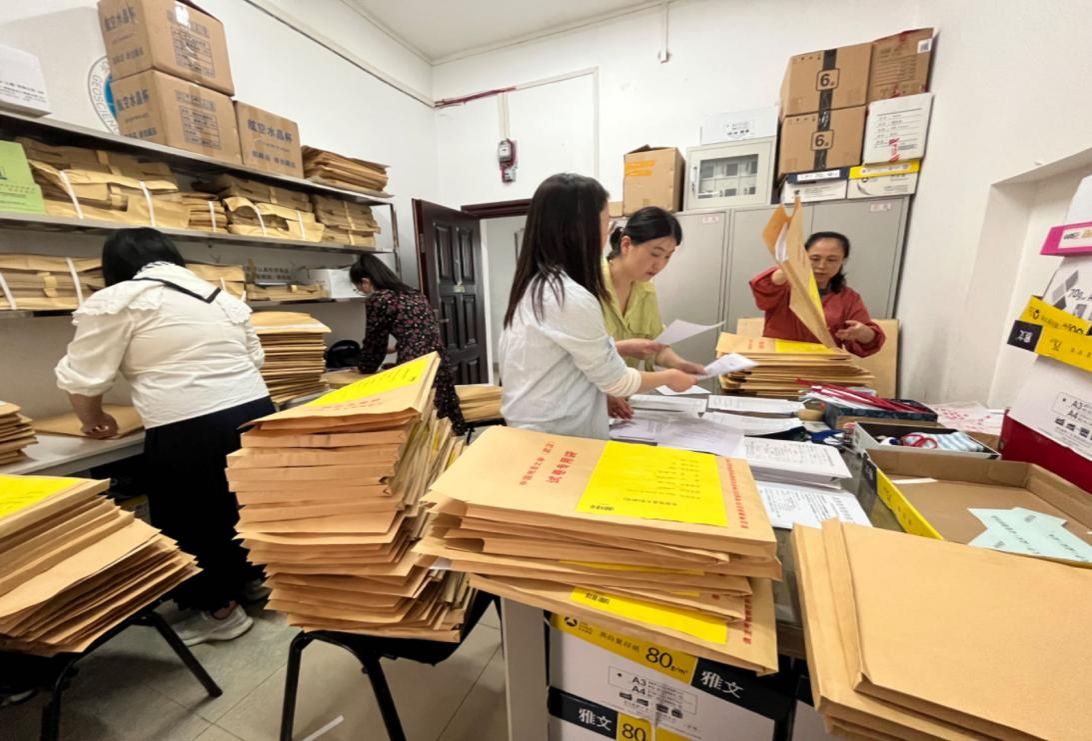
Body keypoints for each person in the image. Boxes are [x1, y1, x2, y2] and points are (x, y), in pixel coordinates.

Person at [55, 228, 273, 647]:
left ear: (114, 267)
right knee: (247, 504)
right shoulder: (219, 297)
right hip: (254, 411)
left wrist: (93, 420)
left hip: (189, 423)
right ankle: (252, 580)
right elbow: (255, 357)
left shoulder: (120, 300)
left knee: (194, 516)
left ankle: (219, 611)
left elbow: (83, 378)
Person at [499, 173, 700, 439]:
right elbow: (617, 380)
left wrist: (632, 353)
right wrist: (670, 377)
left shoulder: (539, 286)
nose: (607, 234)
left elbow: (569, 356)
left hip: (540, 427)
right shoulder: (569, 296)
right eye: (606, 224)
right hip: (557, 433)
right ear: (581, 230)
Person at [602, 206, 707, 419]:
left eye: (668, 257)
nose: (659, 265)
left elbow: (656, 345)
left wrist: (679, 364)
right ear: (626, 245)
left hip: (621, 404)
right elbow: (579, 357)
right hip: (586, 401)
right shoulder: (589, 285)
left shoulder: (646, 290)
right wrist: (605, 394)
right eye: (655, 254)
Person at [350, 254, 466, 434]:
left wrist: (365, 368)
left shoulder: (380, 298)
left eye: (359, 288)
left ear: (365, 282)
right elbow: (419, 330)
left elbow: (375, 341)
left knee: (420, 418)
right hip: (438, 359)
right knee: (440, 415)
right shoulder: (414, 293)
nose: (363, 292)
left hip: (415, 365)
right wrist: (396, 347)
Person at [750, 230, 885, 357]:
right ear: (803, 257)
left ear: (843, 261)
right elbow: (763, 290)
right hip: (778, 362)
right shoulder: (784, 287)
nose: (821, 266)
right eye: (814, 259)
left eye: (831, 260)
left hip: (822, 366)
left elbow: (868, 343)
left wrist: (864, 333)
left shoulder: (849, 298)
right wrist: (788, 267)